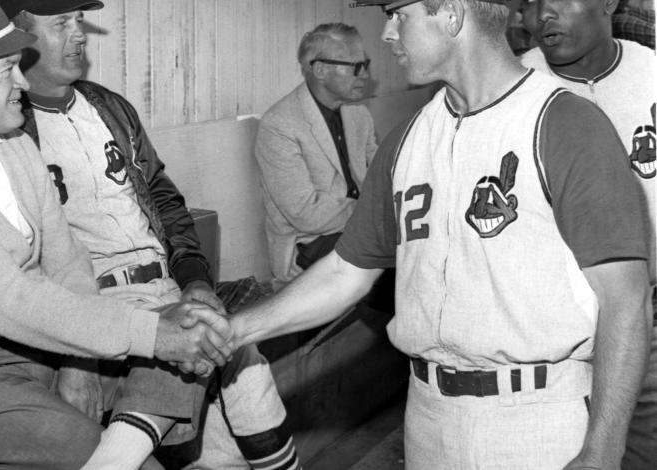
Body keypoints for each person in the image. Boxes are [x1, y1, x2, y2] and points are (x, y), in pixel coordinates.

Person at [0, 1, 299, 468]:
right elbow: (12, 299)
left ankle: (123, 454)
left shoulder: (11, 141)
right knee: (151, 379)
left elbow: (65, 263)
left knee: (193, 339)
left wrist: (80, 364)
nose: (23, 80)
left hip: (28, 345)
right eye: (7, 70)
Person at [225, 0, 653, 468]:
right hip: (428, 417)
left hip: (538, 419)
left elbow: (625, 299)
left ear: (451, 15)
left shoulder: (565, 124)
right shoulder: (408, 139)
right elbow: (345, 273)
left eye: (398, 15)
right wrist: (233, 331)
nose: (388, 34)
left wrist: (603, 450)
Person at [519, 1, 657, 467]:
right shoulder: (512, 87)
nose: (543, 15)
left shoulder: (651, 73)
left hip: (648, 318)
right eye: (530, 3)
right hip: (552, 336)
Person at [255, 23, 377, 284]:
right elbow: (305, 213)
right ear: (320, 69)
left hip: (355, 230)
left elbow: (380, 176)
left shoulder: (359, 114)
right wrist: (373, 213)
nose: (364, 74)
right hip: (309, 244)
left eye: (365, 64)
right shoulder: (279, 124)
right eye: (355, 66)